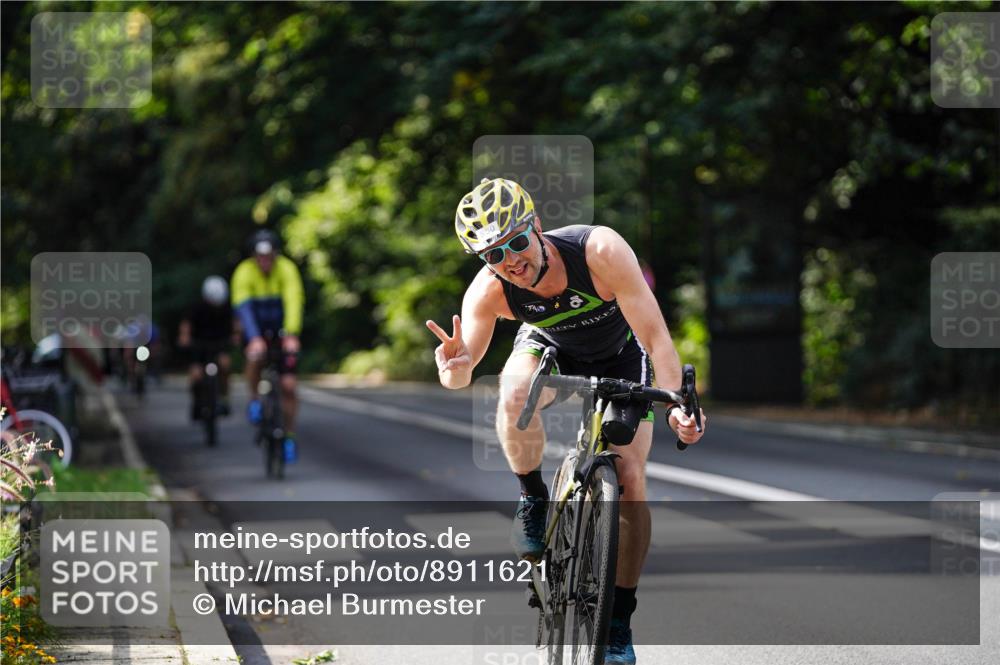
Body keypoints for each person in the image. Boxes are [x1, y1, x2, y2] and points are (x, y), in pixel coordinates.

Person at [426, 178, 707, 664]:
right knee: (513, 389)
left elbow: (658, 340)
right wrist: (454, 370)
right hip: (553, 349)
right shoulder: (491, 291)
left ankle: (617, 625)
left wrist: (677, 405)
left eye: (516, 242)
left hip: (622, 353)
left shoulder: (598, 250)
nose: (511, 260)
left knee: (631, 476)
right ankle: (533, 498)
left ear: (536, 226)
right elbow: (463, 371)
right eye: (493, 255)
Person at [230, 229, 305, 463]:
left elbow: (294, 300)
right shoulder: (244, 272)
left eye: (269, 256)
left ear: (276, 255)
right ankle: (254, 399)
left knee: (289, 386)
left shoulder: (287, 269)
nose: (264, 262)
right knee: (255, 357)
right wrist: (253, 337)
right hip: (257, 330)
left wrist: (291, 334)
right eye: (259, 257)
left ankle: (289, 437)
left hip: (282, 330)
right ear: (253, 256)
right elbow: (243, 309)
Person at [177, 276, 236, 419]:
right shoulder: (197, 308)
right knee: (196, 375)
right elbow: (186, 325)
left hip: (219, 344)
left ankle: (224, 398)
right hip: (199, 346)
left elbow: (236, 325)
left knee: (225, 365)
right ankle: (196, 401)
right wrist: (185, 337)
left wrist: (236, 336)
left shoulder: (227, 308)